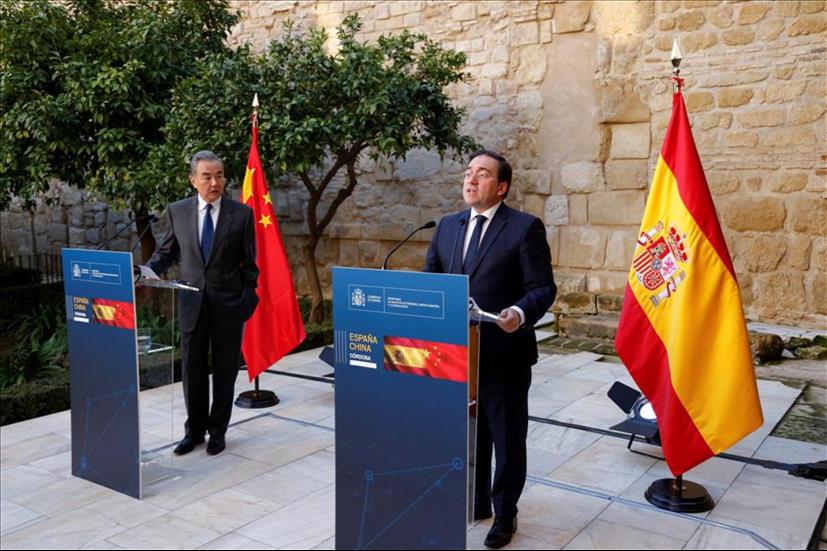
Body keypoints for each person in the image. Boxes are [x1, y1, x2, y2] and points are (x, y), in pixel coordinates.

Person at [424, 150, 556, 548]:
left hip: (504, 353)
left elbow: (542, 288)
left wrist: (520, 311)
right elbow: (432, 281)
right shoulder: (447, 226)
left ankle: (505, 512)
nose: (471, 179)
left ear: (501, 187)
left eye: (482, 174)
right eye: (468, 172)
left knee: (506, 437)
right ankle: (477, 500)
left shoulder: (524, 228)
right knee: (470, 433)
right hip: (458, 352)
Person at [148, 150, 259, 456]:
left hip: (228, 307)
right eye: (207, 176)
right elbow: (166, 252)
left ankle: (218, 432)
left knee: (225, 371)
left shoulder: (241, 214)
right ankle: (194, 431)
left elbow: (250, 266)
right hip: (191, 305)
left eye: (219, 175)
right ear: (193, 180)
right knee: (193, 371)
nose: (214, 182)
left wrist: (245, 301)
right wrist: (145, 271)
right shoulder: (178, 211)